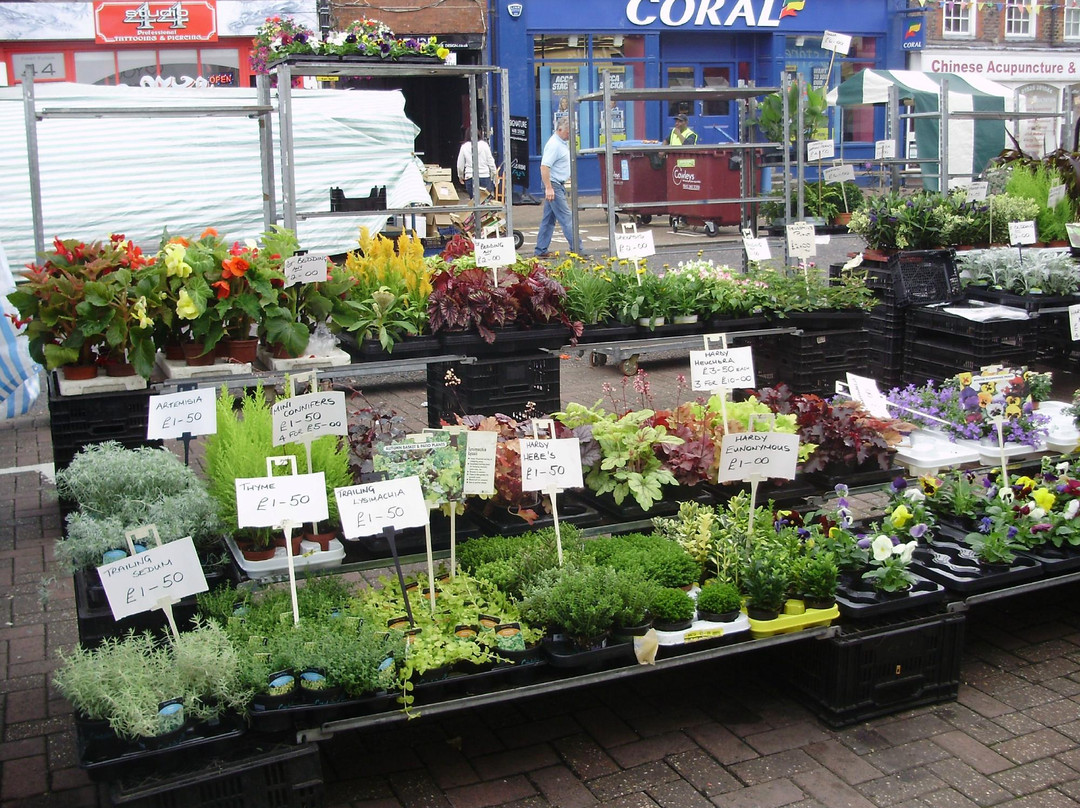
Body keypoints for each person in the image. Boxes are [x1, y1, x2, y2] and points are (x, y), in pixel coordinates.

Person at [534, 118, 581, 258]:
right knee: (567, 217)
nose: (569, 135)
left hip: (556, 183)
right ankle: (577, 248)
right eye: (568, 132)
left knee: (548, 219)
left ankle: (541, 250)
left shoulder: (561, 143)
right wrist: (549, 188)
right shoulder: (554, 145)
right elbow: (544, 166)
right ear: (560, 130)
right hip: (554, 184)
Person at [456, 128, 498, 198]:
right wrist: (494, 174)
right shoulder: (485, 145)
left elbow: (460, 165)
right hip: (484, 176)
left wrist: (460, 176)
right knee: (485, 201)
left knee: (473, 202)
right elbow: (491, 161)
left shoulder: (464, 147)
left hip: (470, 177)